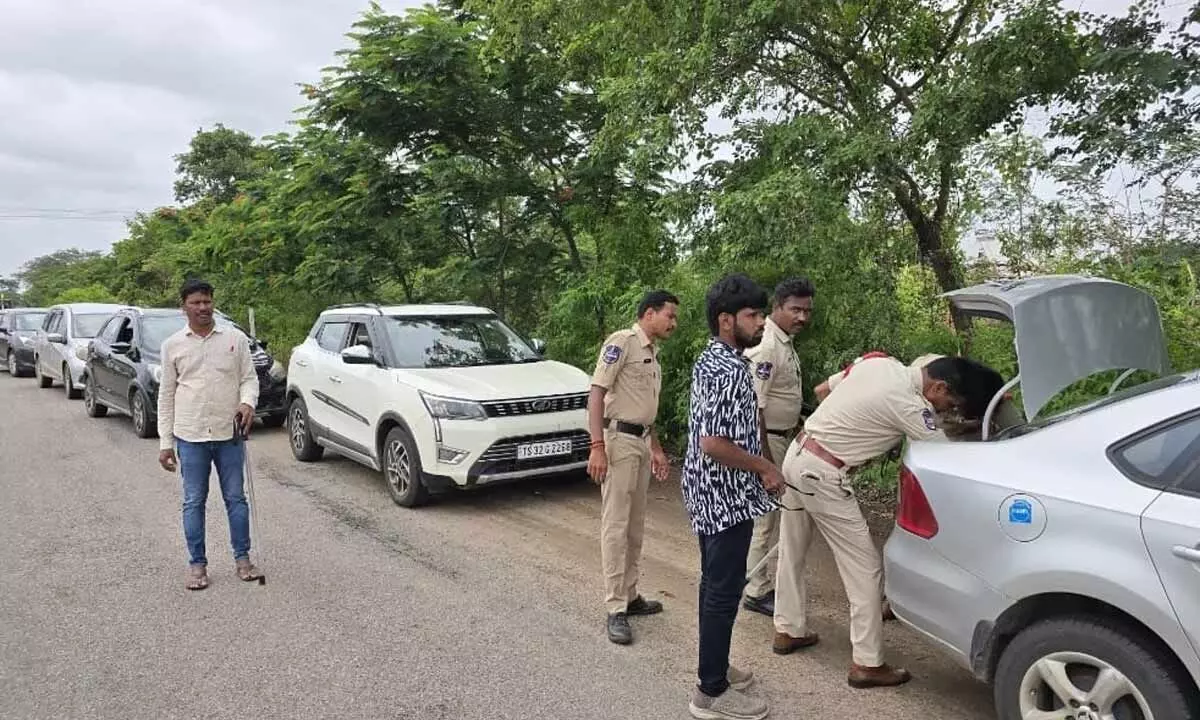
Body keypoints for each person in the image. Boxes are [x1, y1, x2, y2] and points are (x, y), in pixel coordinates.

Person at [771, 353, 1002, 689]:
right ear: (937, 386)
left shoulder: (879, 364)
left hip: (798, 455)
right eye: (950, 400)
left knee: (792, 551)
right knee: (865, 569)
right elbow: (944, 454)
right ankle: (867, 663)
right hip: (823, 474)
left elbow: (825, 390)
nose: (948, 407)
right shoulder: (910, 405)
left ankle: (787, 628)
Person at [681, 273, 783, 720]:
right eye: (753, 315)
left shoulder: (720, 359)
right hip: (723, 499)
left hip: (714, 494)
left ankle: (715, 666)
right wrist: (764, 467)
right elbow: (713, 443)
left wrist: (760, 463)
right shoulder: (725, 369)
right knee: (723, 592)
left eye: (760, 313)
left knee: (713, 587)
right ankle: (710, 692)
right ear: (727, 320)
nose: (761, 322)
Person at [587, 289, 680, 645]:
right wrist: (597, 447)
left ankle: (631, 594)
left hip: (640, 442)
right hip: (618, 443)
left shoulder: (653, 355)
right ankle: (615, 608)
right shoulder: (622, 342)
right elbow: (596, 393)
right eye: (669, 315)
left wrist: (655, 447)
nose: (674, 323)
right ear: (649, 313)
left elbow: (645, 408)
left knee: (636, 526)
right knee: (616, 525)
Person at [157, 278, 262, 591]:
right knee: (193, 501)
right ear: (184, 307)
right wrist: (165, 443)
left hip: (229, 433)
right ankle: (197, 565)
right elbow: (166, 394)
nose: (203, 307)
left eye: (207, 301)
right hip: (190, 436)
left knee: (235, 498)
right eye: (196, 303)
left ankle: (243, 559)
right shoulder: (173, 345)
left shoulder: (234, 338)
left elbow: (249, 378)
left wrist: (247, 402)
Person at [741, 277, 814, 617]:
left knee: (770, 516)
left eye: (807, 311)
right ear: (777, 307)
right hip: (767, 440)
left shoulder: (784, 342)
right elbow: (754, 405)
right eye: (795, 309)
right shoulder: (768, 345)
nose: (802, 317)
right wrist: (765, 462)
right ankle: (756, 589)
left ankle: (760, 584)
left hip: (783, 437)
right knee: (764, 518)